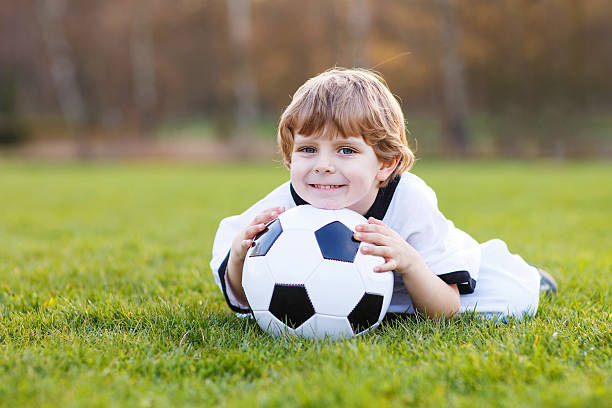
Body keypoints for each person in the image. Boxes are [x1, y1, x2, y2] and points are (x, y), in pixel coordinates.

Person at [210, 67, 556, 321]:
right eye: (308, 150)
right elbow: (243, 299)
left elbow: (446, 308)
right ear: (289, 158)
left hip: (426, 278)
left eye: (346, 150)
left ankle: (533, 278)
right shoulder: (280, 211)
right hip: (341, 292)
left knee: (510, 299)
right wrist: (241, 256)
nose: (323, 165)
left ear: (386, 165)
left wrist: (409, 263)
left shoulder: (411, 202)